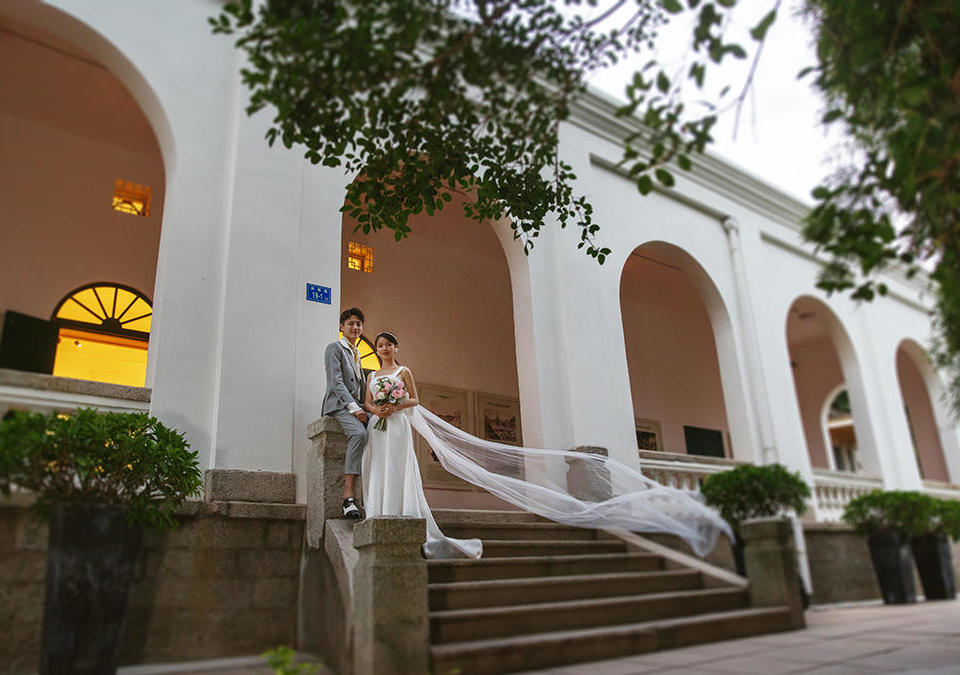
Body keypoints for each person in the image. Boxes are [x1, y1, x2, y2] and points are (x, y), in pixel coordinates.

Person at [361, 331, 482, 559]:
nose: (384, 348)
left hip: (396, 425)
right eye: (380, 345)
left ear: (396, 348)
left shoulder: (403, 371)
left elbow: (414, 399)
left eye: (389, 345)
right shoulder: (372, 375)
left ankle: (400, 513)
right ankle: (377, 512)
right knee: (378, 465)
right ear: (377, 349)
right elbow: (367, 401)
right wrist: (378, 409)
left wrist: (394, 406)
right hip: (378, 425)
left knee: (396, 466)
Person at [322, 307, 369, 519]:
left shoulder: (357, 353)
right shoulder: (335, 348)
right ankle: (348, 497)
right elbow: (336, 382)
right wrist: (355, 408)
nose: (355, 327)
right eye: (351, 323)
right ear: (342, 326)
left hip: (358, 404)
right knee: (359, 434)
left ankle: (374, 493)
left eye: (358, 324)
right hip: (339, 405)